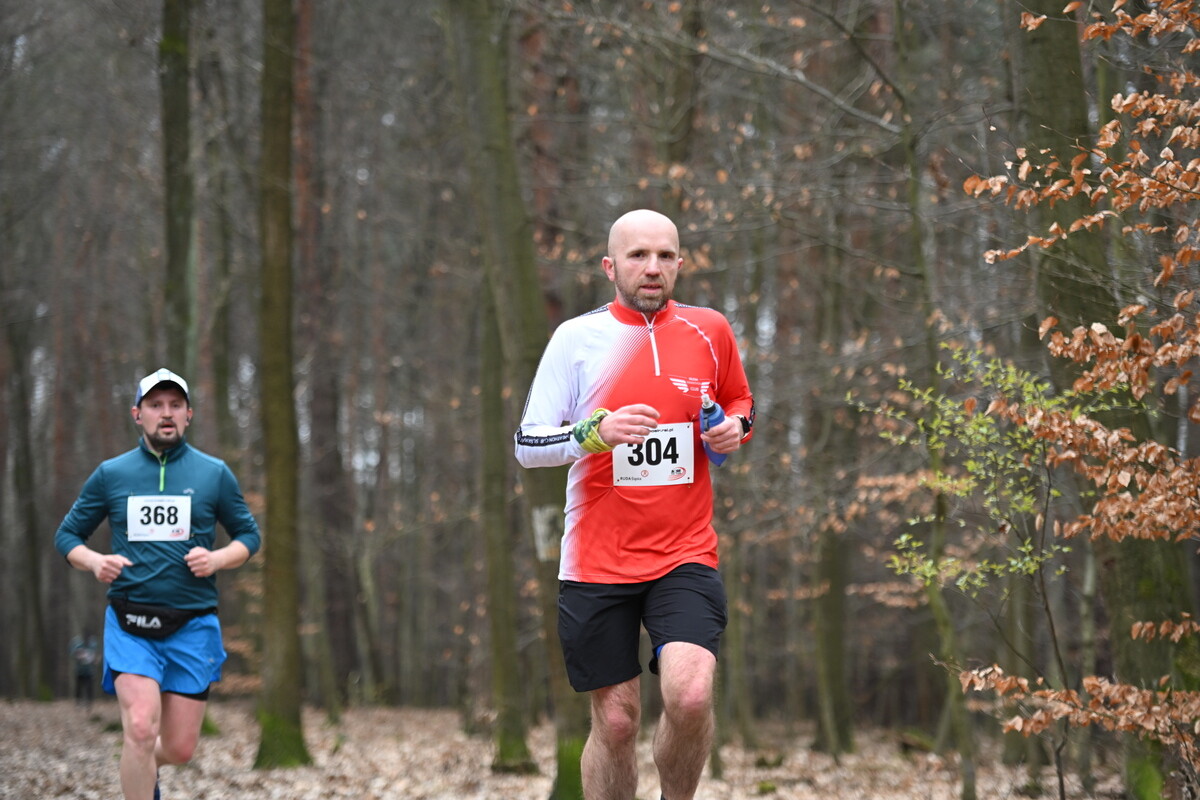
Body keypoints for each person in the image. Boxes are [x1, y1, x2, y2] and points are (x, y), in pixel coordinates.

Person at [515, 209, 755, 800]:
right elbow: (527, 443)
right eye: (638, 256)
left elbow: (739, 400)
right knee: (618, 722)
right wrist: (594, 433)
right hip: (597, 559)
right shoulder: (576, 338)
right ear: (610, 266)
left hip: (685, 552)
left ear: (679, 263)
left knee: (691, 695)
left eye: (665, 256)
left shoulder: (709, 329)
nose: (653, 268)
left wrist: (735, 429)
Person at [55, 368, 261, 800]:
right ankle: (140, 764)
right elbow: (66, 537)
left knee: (181, 748)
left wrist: (218, 558)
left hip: (192, 624)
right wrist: (95, 561)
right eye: (155, 405)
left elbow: (249, 536)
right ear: (137, 414)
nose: (165, 414)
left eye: (174, 406)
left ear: (189, 414)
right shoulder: (112, 474)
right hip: (130, 621)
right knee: (142, 727)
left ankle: (142, 766)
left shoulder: (214, 473)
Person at [69, 632, 99, 708]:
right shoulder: (78, 643)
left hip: (89, 671)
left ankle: (89, 702)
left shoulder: (92, 644)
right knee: (78, 687)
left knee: (89, 687)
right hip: (80, 671)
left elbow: (96, 657)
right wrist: (79, 655)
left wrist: (94, 659)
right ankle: (78, 702)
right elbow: (72, 653)